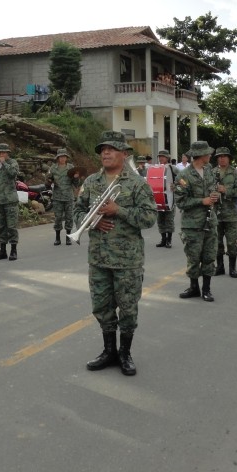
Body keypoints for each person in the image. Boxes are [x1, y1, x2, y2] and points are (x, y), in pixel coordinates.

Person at [75, 130, 156, 375]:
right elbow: (77, 212)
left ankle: (125, 353)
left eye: (111, 149)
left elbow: (149, 218)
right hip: (99, 258)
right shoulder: (91, 182)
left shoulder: (137, 183)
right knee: (102, 307)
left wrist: (118, 210)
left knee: (128, 309)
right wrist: (93, 222)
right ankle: (109, 351)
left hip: (127, 260)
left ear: (124, 154)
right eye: (103, 149)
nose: (106, 153)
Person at [176, 140, 219, 301]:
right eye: (208, 153)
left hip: (210, 221)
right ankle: (194, 287)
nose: (210, 155)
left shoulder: (209, 171)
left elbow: (213, 188)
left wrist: (215, 196)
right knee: (193, 258)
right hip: (192, 224)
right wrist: (202, 201)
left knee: (209, 256)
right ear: (201, 155)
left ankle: (206, 289)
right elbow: (181, 202)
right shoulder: (184, 176)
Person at [211, 147, 237, 277]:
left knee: (231, 243)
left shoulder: (235, 173)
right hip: (215, 213)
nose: (222, 158)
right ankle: (220, 267)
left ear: (229, 158)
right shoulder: (211, 172)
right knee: (217, 242)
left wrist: (226, 190)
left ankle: (232, 268)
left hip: (230, 215)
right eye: (219, 156)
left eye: (224, 156)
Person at [0, 143, 20, 261]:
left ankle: (13, 250)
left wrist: (4, 163)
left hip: (10, 200)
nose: (1, 155)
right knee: (1, 226)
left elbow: (13, 173)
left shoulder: (13, 163)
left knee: (11, 226)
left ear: (7, 153)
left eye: (3, 152)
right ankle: (2, 251)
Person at [47, 148, 80, 246]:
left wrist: (76, 178)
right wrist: (49, 181)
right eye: (61, 157)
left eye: (64, 157)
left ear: (66, 158)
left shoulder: (71, 168)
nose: (62, 158)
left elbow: (76, 184)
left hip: (68, 196)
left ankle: (68, 237)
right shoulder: (53, 168)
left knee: (69, 217)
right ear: (58, 158)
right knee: (58, 218)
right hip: (57, 197)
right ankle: (57, 238)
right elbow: (48, 181)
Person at [154, 149, 177, 248]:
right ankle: (163, 239)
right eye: (159, 156)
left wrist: (176, 186)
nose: (161, 158)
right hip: (159, 197)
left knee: (169, 220)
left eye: (163, 156)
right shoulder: (156, 168)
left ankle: (169, 240)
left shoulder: (173, 168)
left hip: (170, 197)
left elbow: (184, 181)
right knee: (160, 220)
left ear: (167, 158)